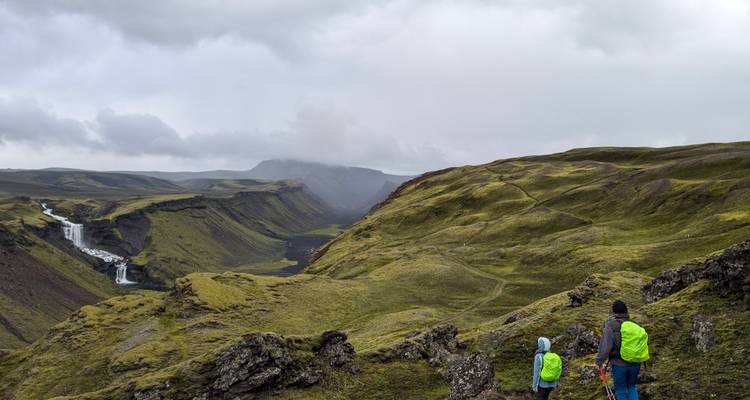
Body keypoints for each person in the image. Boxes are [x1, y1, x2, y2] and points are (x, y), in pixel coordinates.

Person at [596, 300, 642, 400]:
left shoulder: (611, 325)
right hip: (635, 363)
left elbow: (605, 346)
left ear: (614, 312)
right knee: (632, 387)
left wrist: (599, 361)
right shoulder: (636, 325)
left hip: (619, 364)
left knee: (620, 391)